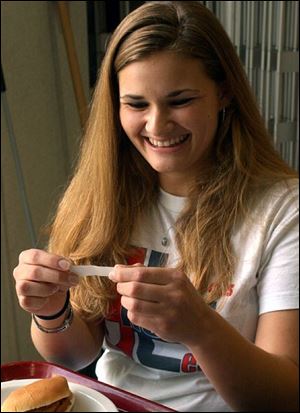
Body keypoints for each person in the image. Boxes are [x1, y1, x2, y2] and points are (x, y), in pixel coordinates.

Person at [13, 1, 298, 411]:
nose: (157, 125)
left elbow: (283, 398)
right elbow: (75, 358)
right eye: (137, 104)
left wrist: (200, 327)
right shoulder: (100, 193)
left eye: (180, 100)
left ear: (224, 92)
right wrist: (51, 311)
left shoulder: (284, 210)